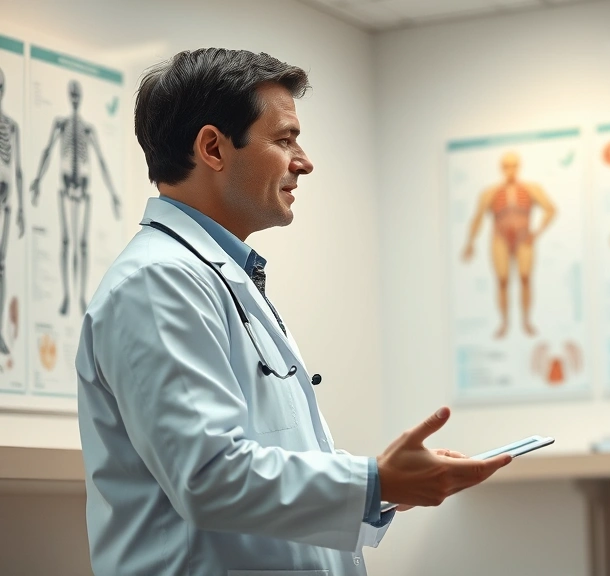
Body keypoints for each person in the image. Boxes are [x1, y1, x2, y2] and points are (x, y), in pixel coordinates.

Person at [76, 48, 511, 576]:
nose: (303, 161)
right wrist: (375, 480)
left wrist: (387, 489)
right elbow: (209, 477)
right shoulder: (159, 281)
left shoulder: (219, 276)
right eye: (284, 140)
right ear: (213, 147)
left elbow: (257, 474)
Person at [30, 78, 121, 316]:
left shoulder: (88, 129)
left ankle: (80, 297)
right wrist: (38, 180)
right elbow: (48, 151)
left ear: (79, 98)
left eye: (76, 95)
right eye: (72, 95)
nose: (74, 99)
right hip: (65, 186)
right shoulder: (60, 124)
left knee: (81, 244)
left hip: (84, 188)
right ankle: (67, 296)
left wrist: (113, 194)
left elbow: (100, 160)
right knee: (65, 241)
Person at [461, 151, 556, 338]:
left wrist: (536, 233)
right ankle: (504, 322)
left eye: (513, 165)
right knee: (502, 281)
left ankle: (526, 321)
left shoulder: (532, 189)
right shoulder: (489, 193)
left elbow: (550, 210)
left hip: (524, 237)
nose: (510, 170)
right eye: (506, 166)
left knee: (525, 278)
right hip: (500, 238)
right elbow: (478, 218)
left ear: (519, 167)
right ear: (501, 168)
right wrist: (470, 243)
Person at [0, 66, 24, 355]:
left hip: (6, 198)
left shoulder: (12, 127)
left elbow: (17, 170)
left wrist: (21, 212)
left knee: (2, 266)